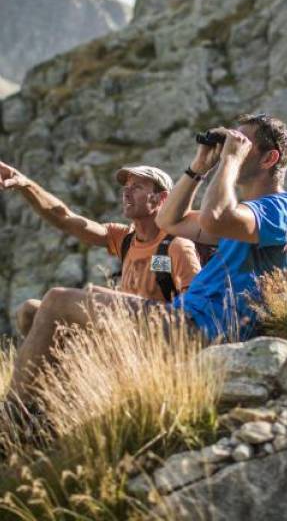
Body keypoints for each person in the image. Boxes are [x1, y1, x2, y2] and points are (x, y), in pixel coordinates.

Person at [0, 163, 201, 401]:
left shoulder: (177, 246)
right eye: (126, 187)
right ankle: (49, 400)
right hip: (117, 337)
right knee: (30, 311)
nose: (126, 192)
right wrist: (26, 184)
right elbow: (65, 218)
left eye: (137, 187)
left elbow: (193, 313)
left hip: (151, 348)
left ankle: (14, 412)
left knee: (57, 299)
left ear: (161, 198)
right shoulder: (124, 239)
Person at [155, 113, 287, 342]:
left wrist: (230, 159)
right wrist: (198, 167)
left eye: (243, 144)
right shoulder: (242, 221)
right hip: (185, 318)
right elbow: (169, 221)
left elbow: (216, 217)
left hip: (205, 327)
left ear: (269, 159)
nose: (233, 148)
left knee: (86, 300)